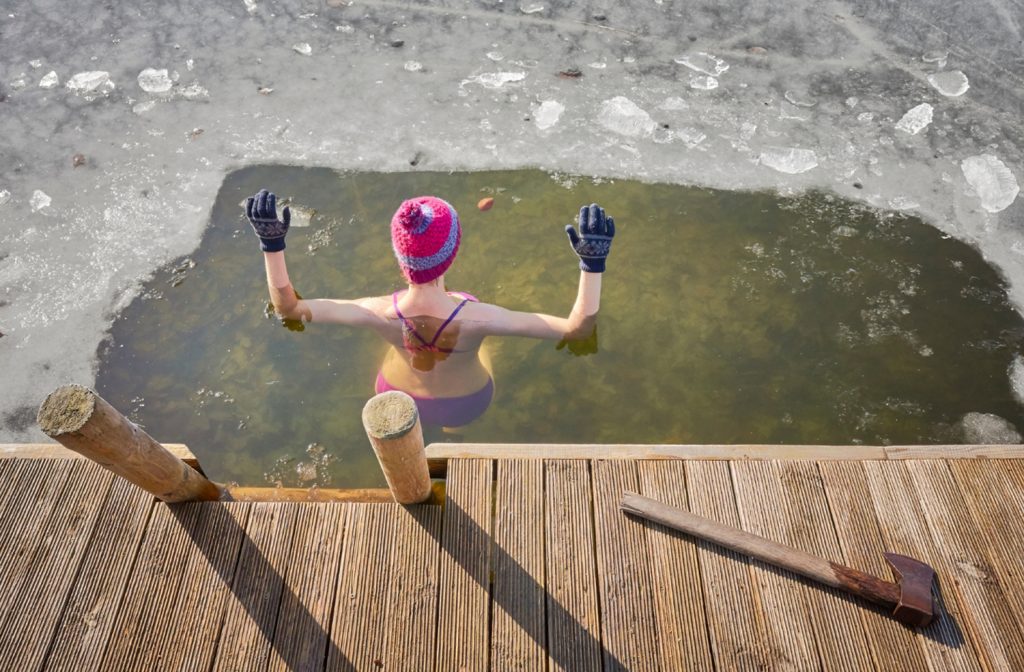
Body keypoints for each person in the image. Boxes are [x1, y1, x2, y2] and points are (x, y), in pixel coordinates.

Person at [245, 189, 615, 428]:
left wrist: (271, 244)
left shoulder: (374, 311)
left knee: (394, 342)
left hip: (394, 398)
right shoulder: (481, 317)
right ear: (452, 252)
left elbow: (289, 310)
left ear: (399, 257)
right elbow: (577, 330)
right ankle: (452, 432)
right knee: (489, 347)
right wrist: (592, 266)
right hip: (465, 405)